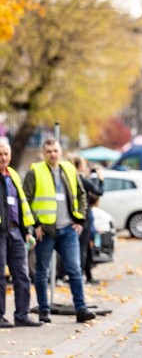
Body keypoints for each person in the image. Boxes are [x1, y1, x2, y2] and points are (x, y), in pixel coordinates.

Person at [22, 138, 95, 324]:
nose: (53, 154)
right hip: (45, 232)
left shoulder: (69, 169)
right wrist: (35, 225)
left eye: (55, 150)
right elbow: (26, 201)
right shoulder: (35, 171)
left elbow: (81, 194)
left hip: (67, 230)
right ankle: (44, 311)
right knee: (42, 272)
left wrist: (79, 218)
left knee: (75, 270)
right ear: (43, 153)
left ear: (60, 152)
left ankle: (81, 309)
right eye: (49, 151)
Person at [0, 141, 42, 327]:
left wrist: (27, 231)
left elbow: (22, 205)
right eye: (0, 154)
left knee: (22, 275)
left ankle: (22, 314)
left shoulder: (14, 175)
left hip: (16, 230)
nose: (3, 158)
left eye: (6, 154)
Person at [71, 156, 103, 284]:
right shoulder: (81, 180)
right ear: (80, 166)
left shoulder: (70, 179)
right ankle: (80, 276)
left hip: (75, 215)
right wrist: (100, 179)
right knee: (83, 247)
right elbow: (98, 191)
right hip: (84, 216)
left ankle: (87, 275)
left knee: (85, 246)